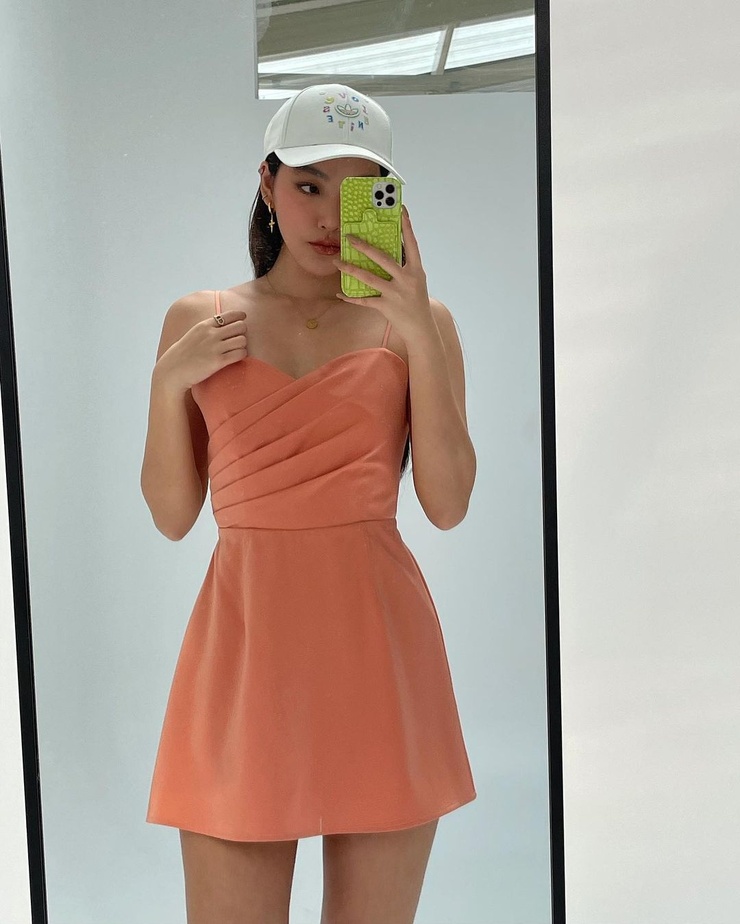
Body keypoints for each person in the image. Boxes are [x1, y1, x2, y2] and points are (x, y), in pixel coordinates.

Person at [140, 83, 477, 924]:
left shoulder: (421, 323)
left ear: (390, 201)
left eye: (358, 191)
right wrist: (167, 383)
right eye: (308, 184)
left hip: (380, 658)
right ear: (267, 183)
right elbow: (173, 517)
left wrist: (417, 328)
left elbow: (447, 504)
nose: (328, 216)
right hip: (244, 658)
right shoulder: (201, 319)